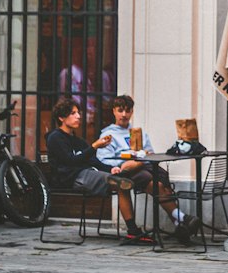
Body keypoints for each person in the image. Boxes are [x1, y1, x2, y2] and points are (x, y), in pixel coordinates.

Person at [97, 95, 201, 246]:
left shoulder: (138, 132)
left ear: (132, 112)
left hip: (143, 166)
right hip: (124, 171)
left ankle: (181, 223)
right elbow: (103, 160)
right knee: (152, 181)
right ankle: (181, 220)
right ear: (114, 111)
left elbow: (149, 153)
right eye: (120, 111)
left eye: (127, 111)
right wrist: (124, 161)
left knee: (161, 181)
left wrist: (141, 156)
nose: (124, 115)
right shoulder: (108, 134)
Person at [46, 97, 152, 244]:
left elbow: (93, 160)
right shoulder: (55, 138)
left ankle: (132, 232)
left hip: (87, 173)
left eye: (78, 113)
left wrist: (112, 168)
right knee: (121, 183)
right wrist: (94, 146)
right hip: (71, 178)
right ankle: (133, 231)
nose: (78, 116)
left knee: (122, 181)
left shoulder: (77, 140)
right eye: (73, 113)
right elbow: (71, 161)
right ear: (61, 118)